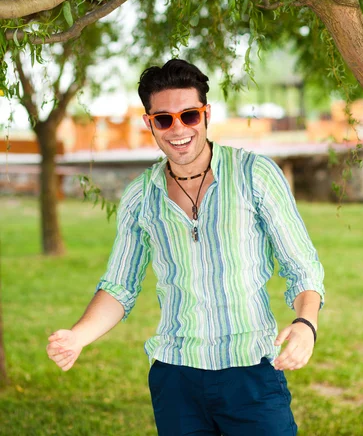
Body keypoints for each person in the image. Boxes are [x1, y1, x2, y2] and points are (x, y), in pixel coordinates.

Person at [47, 59, 325, 436]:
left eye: (189, 115)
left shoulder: (254, 174)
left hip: (252, 374)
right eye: (164, 119)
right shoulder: (140, 196)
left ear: (206, 115)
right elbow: (119, 286)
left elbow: (302, 266)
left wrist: (306, 324)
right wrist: (78, 336)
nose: (178, 129)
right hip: (175, 378)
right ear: (150, 124)